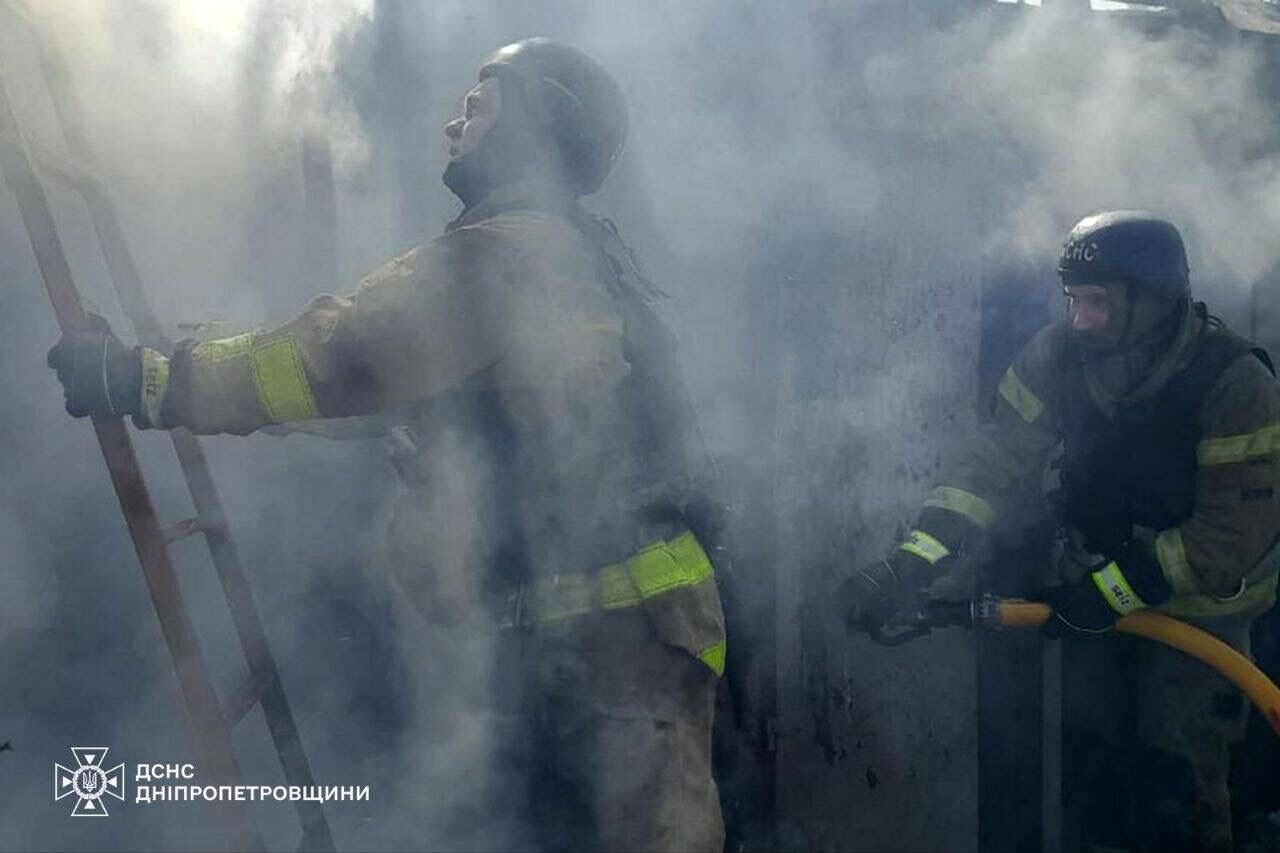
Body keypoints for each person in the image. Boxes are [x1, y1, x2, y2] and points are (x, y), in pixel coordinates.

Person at [48, 38, 726, 852]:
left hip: (616, 655)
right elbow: (381, 386)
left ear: (533, 127)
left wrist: (150, 379)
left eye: (477, 109)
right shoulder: (566, 249)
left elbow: (339, 360)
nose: (453, 124)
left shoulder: (507, 256)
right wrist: (187, 360)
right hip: (613, 643)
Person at [840, 210, 1280, 852]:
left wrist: (1109, 593)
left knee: (1173, 793)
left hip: (1198, 622)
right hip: (1091, 602)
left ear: (1154, 301)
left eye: (1098, 303)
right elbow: (996, 459)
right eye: (1073, 300)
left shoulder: (1235, 382)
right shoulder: (1060, 355)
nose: (1080, 320)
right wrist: (916, 558)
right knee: (1091, 779)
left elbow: (1228, 540)